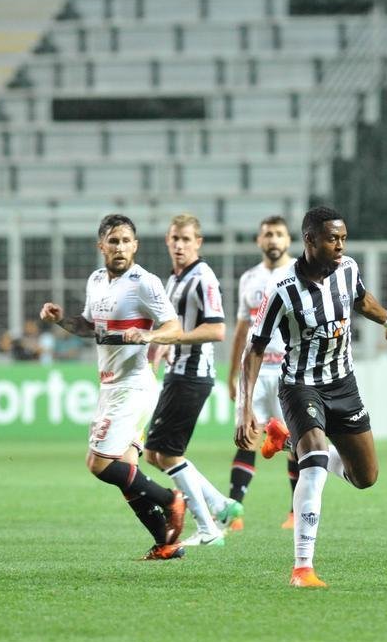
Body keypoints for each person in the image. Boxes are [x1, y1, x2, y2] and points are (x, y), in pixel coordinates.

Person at [235, 206, 387, 587]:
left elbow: (362, 300)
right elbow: (254, 349)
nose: (341, 246)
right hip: (301, 386)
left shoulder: (347, 269)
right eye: (333, 239)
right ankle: (303, 568)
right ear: (310, 240)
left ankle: (286, 441)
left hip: (343, 385)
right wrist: (244, 408)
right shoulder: (282, 290)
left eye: (344, 238)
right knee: (313, 463)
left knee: (365, 477)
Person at [39, 213, 189, 560]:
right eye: (113, 241)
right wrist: (60, 319)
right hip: (110, 386)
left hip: (133, 386)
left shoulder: (145, 283)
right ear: (101, 246)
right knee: (124, 470)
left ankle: (171, 499)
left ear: (135, 246)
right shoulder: (96, 281)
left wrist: (149, 335)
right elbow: (89, 327)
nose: (120, 247)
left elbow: (175, 328)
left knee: (98, 463)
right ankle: (166, 543)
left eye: (125, 241)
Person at [144, 214, 243, 547]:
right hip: (178, 372)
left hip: (193, 374)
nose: (179, 245)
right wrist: (160, 350)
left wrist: (173, 339)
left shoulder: (203, 278)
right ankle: (221, 506)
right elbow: (171, 328)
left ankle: (208, 528)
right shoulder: (174, 280)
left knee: (167, 454)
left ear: (198, 243)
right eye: (175, 238)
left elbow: (217, 329)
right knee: (154, 454)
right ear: (167, 241)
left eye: (186, 239)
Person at [225, 215, 300, 531]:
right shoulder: (249, 278)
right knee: (247, 437)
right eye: (268, 234)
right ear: (259, 240)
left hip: (287, 371)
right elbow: (242, 329)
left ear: (288, 240)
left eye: (279, 234)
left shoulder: (299, 272)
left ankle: (296, 513)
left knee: (295, 443)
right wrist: (232, 374)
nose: (273, 239)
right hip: (254, 372)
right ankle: (234, 512)